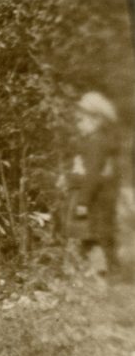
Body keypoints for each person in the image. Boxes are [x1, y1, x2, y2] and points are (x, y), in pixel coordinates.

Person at [63, 91, 121, 274]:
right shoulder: (92, 140)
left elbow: (93, 174)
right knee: (88, 233)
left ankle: (98, 271)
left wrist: (83, 201)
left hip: (92, 198)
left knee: (91, 233)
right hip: (89, 195)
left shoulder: (96, 142)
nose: (78, 125)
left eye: (82, 121)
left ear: (96, 120)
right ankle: (91, 269)